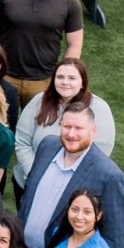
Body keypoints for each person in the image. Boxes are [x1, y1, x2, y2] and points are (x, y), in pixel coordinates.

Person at [18, 103, 124, 248]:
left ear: (93, 131)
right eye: (67, 126)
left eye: (79, 128)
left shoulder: (110, 176)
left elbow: (115, 240)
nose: (71, 134)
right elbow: (28, 196)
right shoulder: (47, 146)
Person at [13, 59, 114, 197]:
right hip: (30, 183)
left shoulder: (99, 108)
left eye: (72, 78)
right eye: (60, 77)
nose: (65, 82)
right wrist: (37, 176)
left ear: (82, 83)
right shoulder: (39, 101)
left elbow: (101, 150)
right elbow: (22, 142)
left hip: (72, 191)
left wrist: (65, 183)